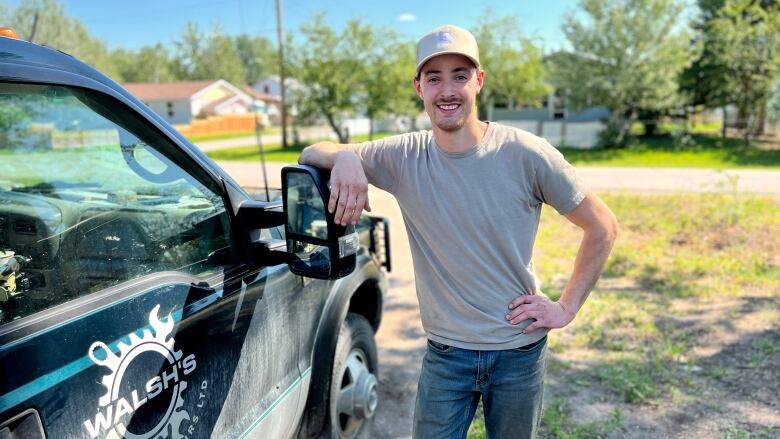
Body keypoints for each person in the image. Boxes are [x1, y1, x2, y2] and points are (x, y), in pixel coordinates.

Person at [299, 24, 619, 439]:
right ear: (419, 87)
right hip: (446, 356)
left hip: (518, 351)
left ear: (479, 81)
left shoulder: (526, 154)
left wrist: (566, 308)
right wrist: (345, 156)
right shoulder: (404, 156)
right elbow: (311, 152)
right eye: (434, 78)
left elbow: (602, 227)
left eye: (459, 75)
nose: (447, 90)